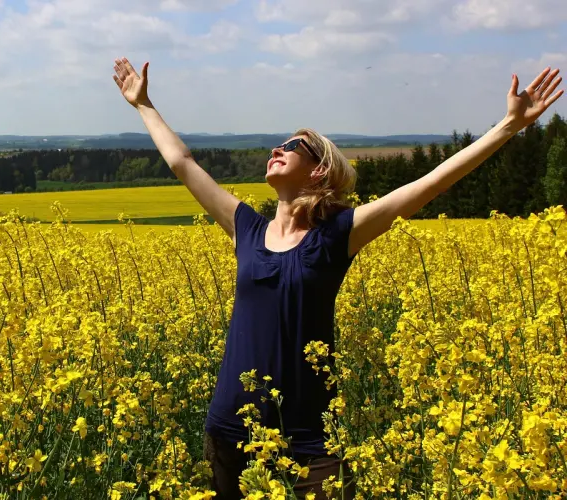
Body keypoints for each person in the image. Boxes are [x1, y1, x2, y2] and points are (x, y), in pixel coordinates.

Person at [112, 57, 563, 499]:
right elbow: (183, 163)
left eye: (291, 148)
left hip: (309, 440)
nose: (276, 150)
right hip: (233, 429)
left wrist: (508, 127)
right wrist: (143, 104)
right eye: (277, 145)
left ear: (320, 169)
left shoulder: (336, 236)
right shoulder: (245, 228)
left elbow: (428, 185)